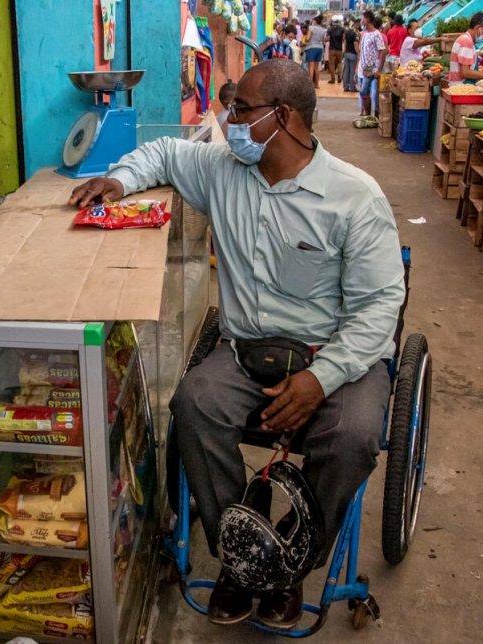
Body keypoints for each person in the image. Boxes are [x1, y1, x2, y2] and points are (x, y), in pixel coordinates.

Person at [69, 59, 404, 631]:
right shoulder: (222, 170)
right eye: (230, 106)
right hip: (247, 347)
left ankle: (293, 563)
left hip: (335, 354)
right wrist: (120, 179)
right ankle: (242, 559)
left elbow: (379, 310)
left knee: (352, 438)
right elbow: (163, 154)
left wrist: (320, 380)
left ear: (285, 117)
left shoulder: (354, 198)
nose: (229, 120)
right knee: (194, 405)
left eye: (242, 110)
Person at [448, 12, 483, 86]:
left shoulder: (464, 38)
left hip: (459, 88)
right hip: (462, 90)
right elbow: (465, 72)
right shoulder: (466, 42)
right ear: (477, 28)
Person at [358, 11, 386, 117]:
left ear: (368, 19)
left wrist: (379, 69)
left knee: (364, 91)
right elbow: (362, 52)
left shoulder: (376, 34)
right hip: (363, 67)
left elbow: (383, 51)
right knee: (364, 92)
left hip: (371, 67)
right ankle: (367, 115)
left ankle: (368, 115)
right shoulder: (365, 34)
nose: (362, 21)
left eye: (363, 18)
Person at [304, 16, 327, 89]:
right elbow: (324, 39)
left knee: (311, 67)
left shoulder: (311, 28)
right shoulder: (323, 30)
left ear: (315, 21)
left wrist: (305, 39)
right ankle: (316, 84)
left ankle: (310, 84)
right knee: (316, 68)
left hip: (311, 48)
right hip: (320, 48)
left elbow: (307, 39)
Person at [326, 17, 345, 85]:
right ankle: (339, 77)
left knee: (332, 64)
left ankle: (333, 79)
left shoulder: (330, 29)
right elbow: (343, 38)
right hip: (339, 49)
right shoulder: (342, 29)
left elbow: (328, 38)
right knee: (339, 63)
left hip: (332, 48)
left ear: (332, 21)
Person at [343, 19, 359, 92]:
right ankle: (352, 87)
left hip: (347, 53)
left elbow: (345, 42)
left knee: (346, 70)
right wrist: (358, 53)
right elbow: (356, 44)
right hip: (353, 53)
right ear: (357, 24)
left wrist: (345, 50)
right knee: (352, 71)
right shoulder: (355, 34)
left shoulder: (347, 32)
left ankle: (345, 86)